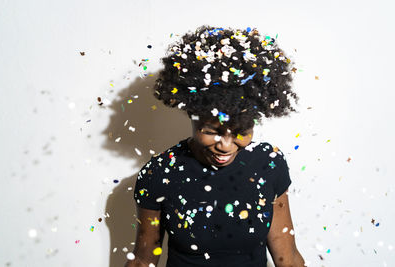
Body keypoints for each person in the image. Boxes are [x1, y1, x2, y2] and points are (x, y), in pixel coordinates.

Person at [125, 25, 305, 267]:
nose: (226, 146)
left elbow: (289, 259)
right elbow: (143, 261)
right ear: (192, 113)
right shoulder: (159, 173)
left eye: (241, 132)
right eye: (212, 131)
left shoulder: (268, 164)